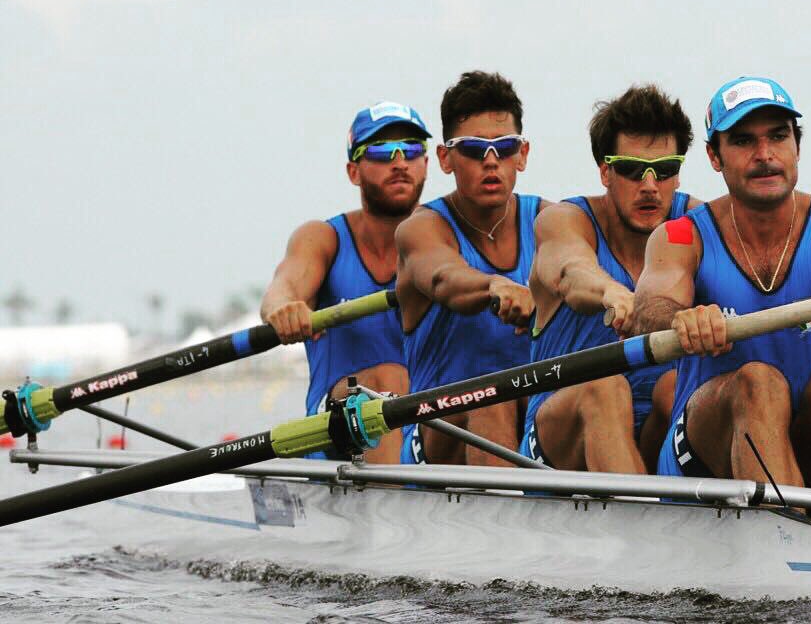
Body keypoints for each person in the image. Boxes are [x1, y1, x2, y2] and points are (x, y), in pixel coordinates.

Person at [633, 77, 811, 522]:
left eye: (778, 137)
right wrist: (681, 319)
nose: (764, 155)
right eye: (744, 141)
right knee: (758, 382)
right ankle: (801, 548)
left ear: (797, 148)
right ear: (714, 156)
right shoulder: (680, 236)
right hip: (707, 458)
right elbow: (650, 307)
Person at [521, 85, 700, 474]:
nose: (650, 185)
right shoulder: (565, 220)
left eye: (664, 169)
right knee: (606, 388)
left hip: (655, 430)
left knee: (678, 388)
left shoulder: (700, 224)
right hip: (558, 443)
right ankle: (642, 528)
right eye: (632, 170)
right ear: (605, 171)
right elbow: (569, 270)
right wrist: (610, 291)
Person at [261, 101, 431, 463]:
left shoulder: (446, 237)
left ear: (427, 164)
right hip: (337, 423)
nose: (400, 161)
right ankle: (401, 510)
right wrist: (284, 308)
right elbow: (284, 286)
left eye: (412, 149)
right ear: (353, 171)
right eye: (382, 151)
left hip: (426, 417)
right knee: (386, 381)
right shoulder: (323, 238)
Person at [396, 71, 547, 466]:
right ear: (446, 158)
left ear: (523, 153)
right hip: (438, 432)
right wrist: (495, 286)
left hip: (530, 422)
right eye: (475, 149)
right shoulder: (422, 228)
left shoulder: (550, 220)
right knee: (492, 400)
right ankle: (506, 523)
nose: (492, 161)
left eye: (505, 146)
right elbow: (445, 278)